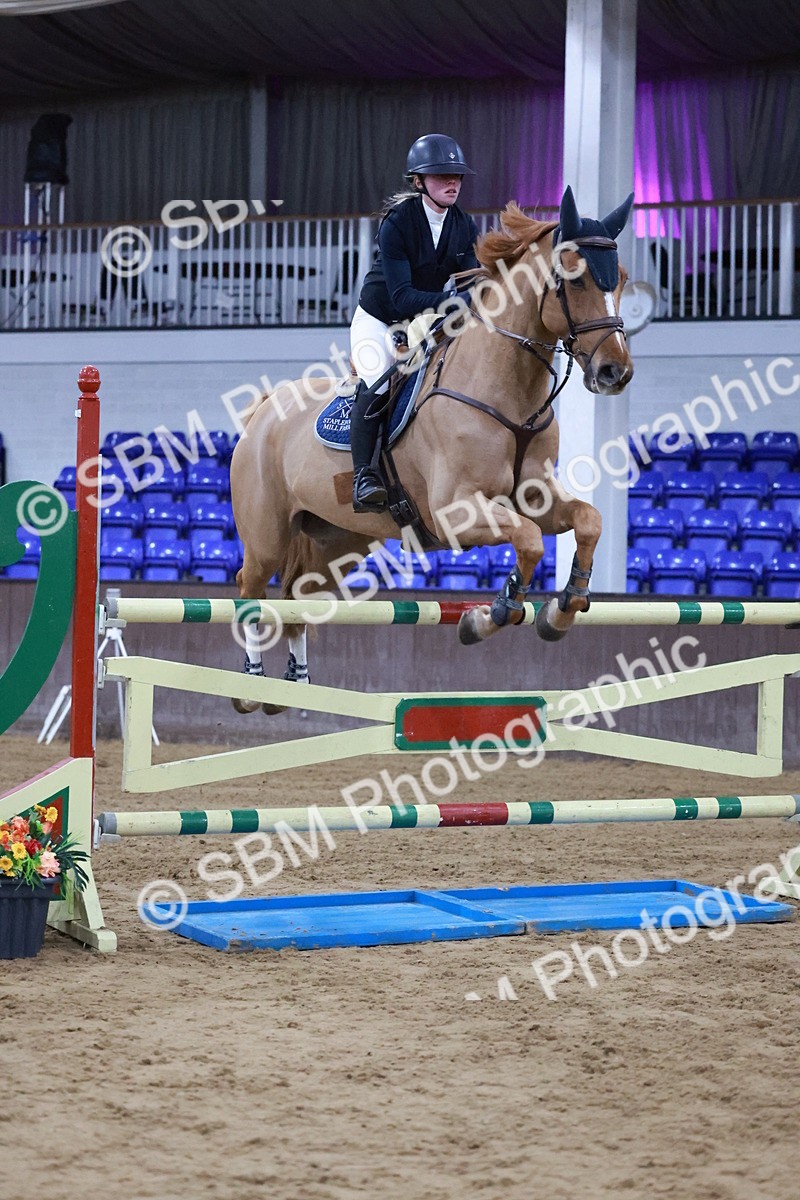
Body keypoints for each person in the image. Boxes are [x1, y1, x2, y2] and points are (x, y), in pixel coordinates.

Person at [349, 133, 480, 512]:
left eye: (457, 176)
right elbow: (402, 295)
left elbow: (471, 280)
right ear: (419, 181)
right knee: (378, 380)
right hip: (378, 319)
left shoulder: (463, 225)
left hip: (422, 320)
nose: (452, 182)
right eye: (442, 176)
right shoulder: (398, 222)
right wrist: (453, 301)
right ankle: (363, 477)